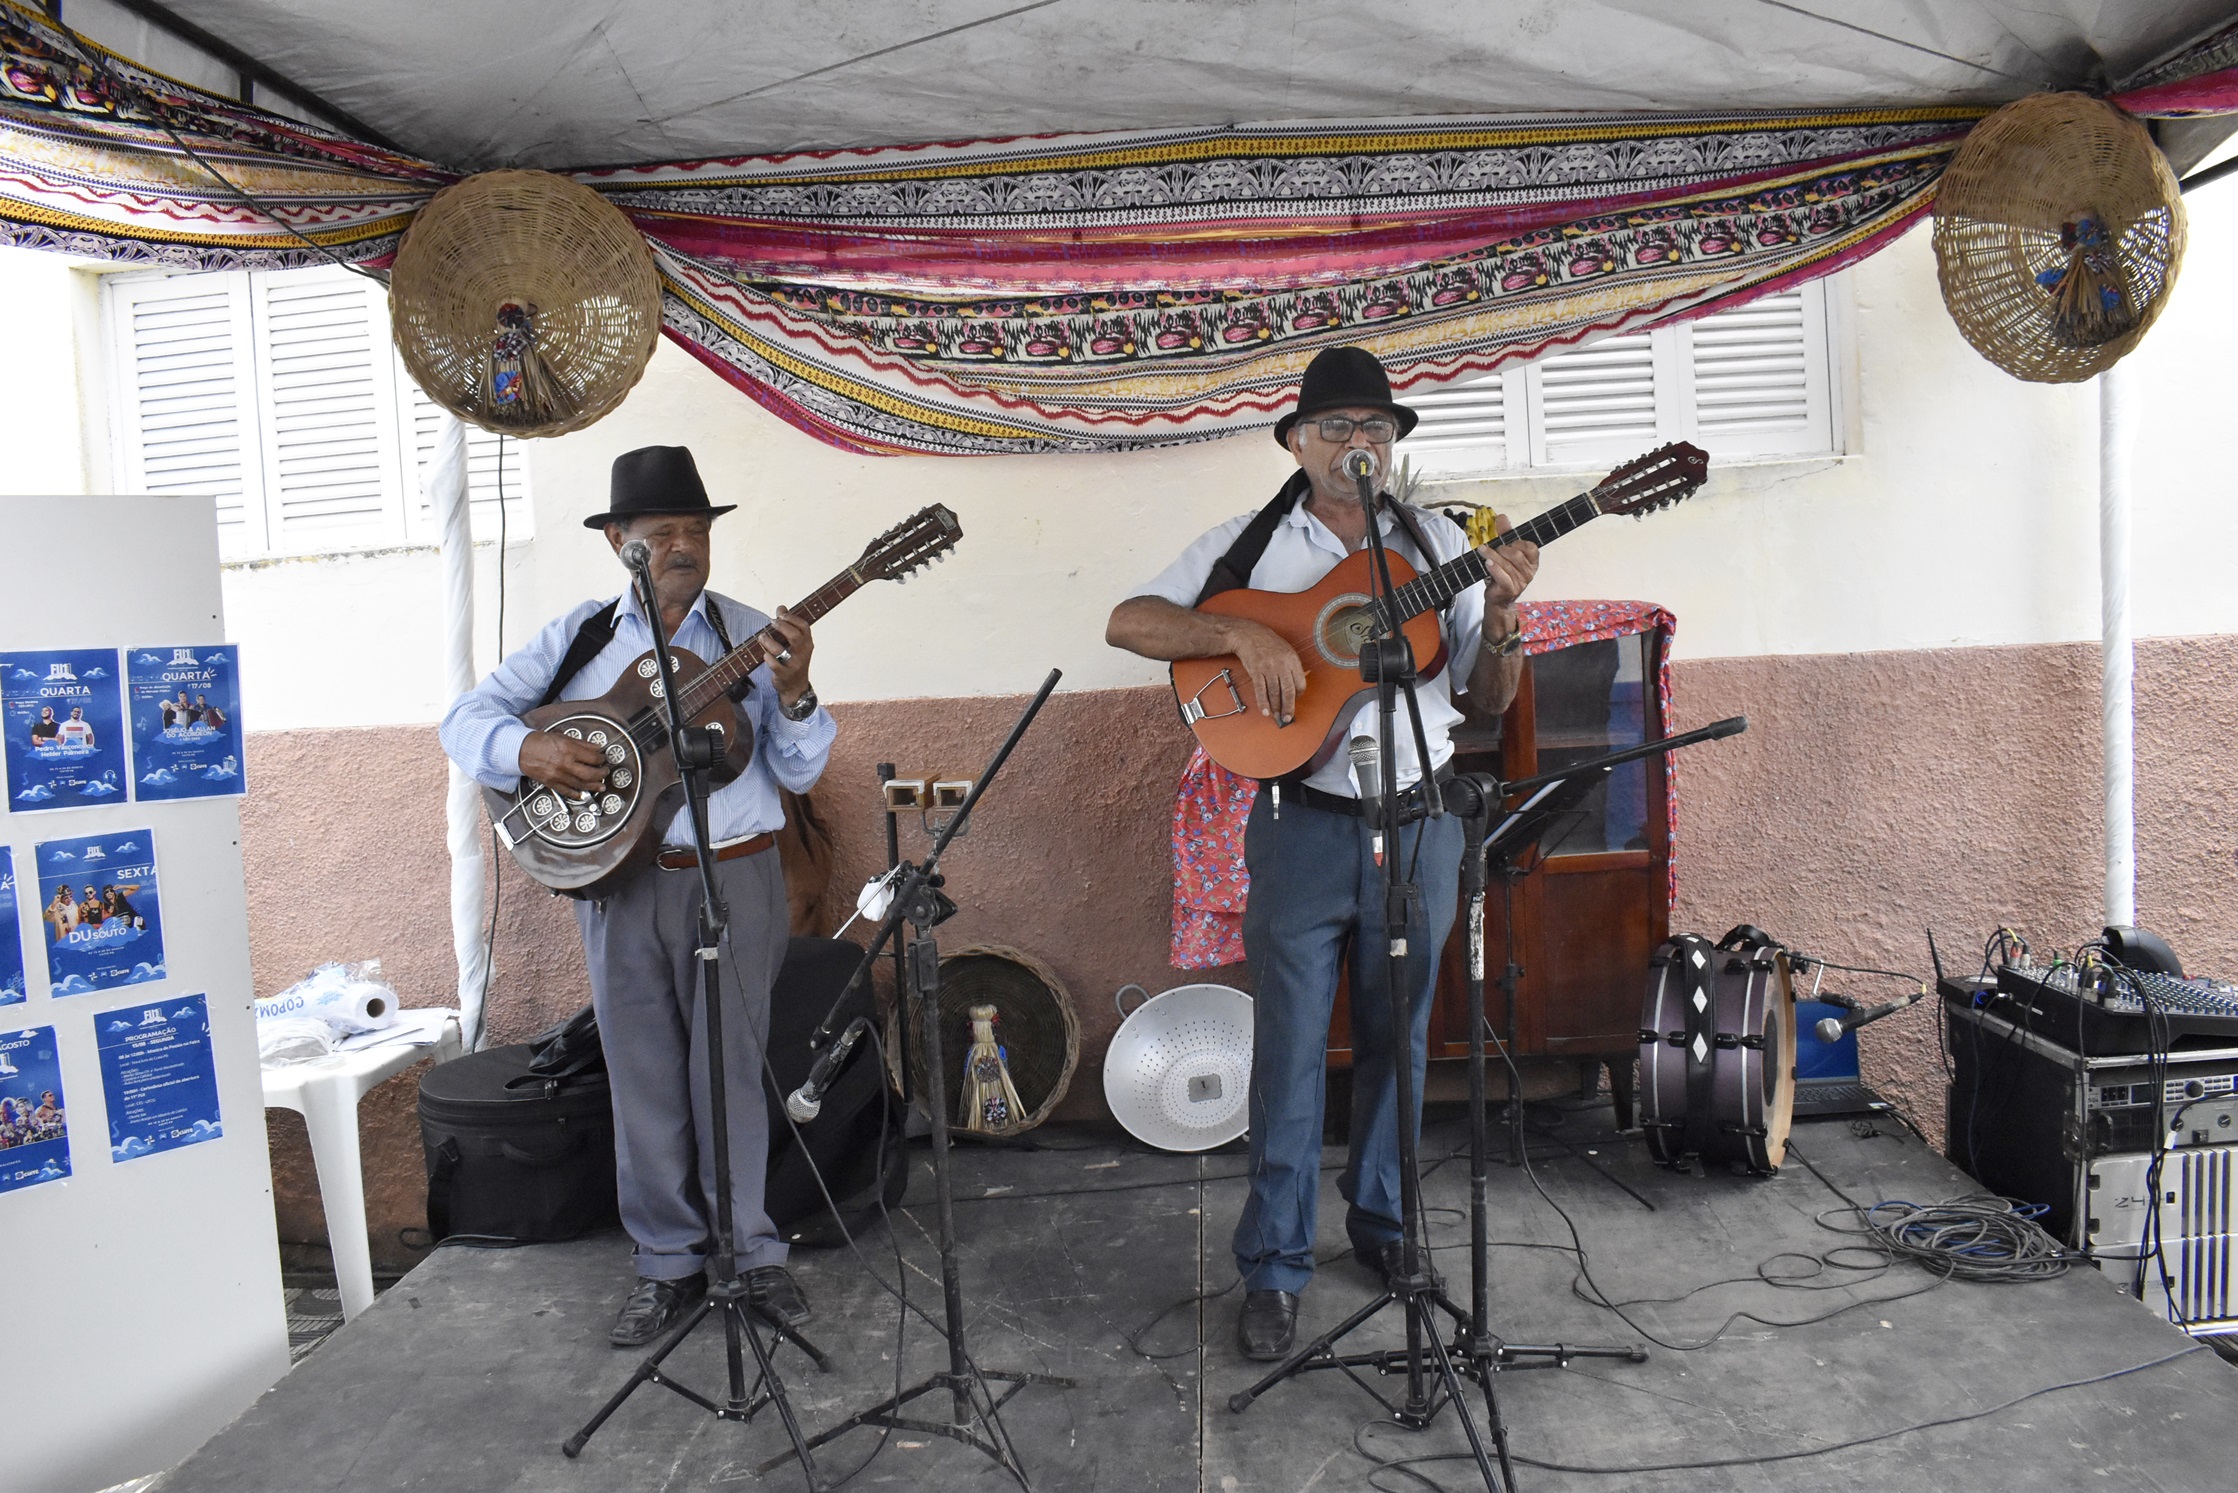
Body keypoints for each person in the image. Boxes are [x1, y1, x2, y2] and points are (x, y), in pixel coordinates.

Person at [1105, 346, 1540, 1362]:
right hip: (1301, 824)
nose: (1358, 444)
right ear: (1298, 443)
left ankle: (1383, 1223)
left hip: (1420, 823)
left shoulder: (1437, 543)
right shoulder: (1252, 543)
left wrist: (1503, 617)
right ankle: (1275, 1265)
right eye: (1336, 427)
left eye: (1375, 428)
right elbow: (1130, 621)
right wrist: (1238, 635)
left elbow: (1487, 699)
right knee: (1291, 1049)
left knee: (1402, 1037)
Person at [441, 445, 834, 1349]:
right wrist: (530, 750)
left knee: (732, 1073)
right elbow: (463, 720)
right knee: (644, 1075)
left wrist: (797, 692)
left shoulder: (752, 636)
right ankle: (667, 1264)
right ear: (619, 541)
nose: (685, 546)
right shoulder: (581, 639)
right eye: (664, 532)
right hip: (621, 888)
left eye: (697, 530)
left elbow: (802, 770)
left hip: (737, 874)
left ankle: (749, 1252)